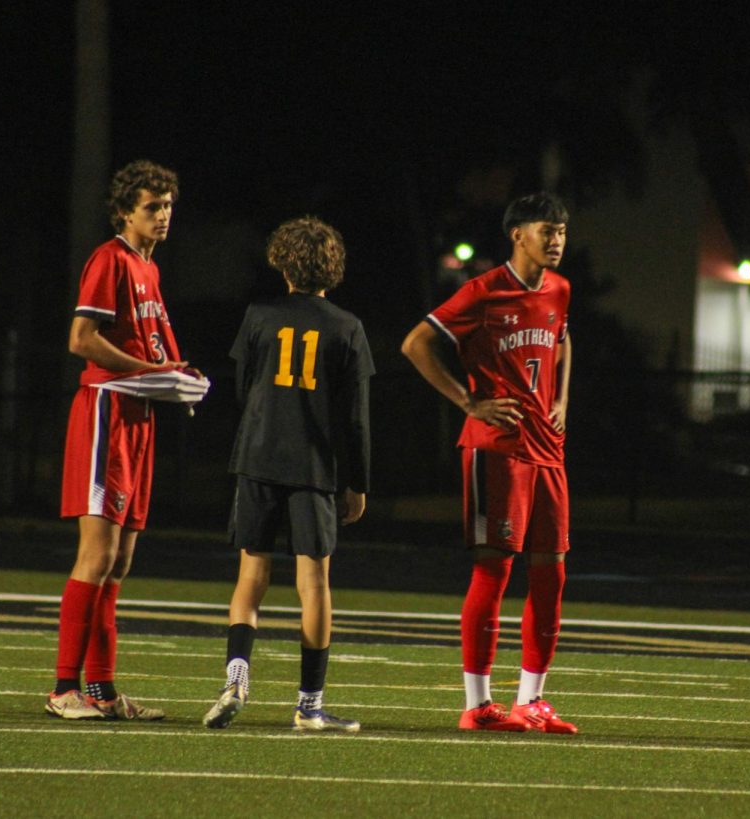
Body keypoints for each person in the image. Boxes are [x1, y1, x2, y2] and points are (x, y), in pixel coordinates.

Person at [401, 192, 577, 734]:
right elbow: (415, 344)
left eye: (562, 232)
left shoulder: (559, 289)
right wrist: (468, 402)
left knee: (551, 573)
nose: (557, 240)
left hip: (548, 449)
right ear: (517, 234)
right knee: (494, 569)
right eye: (547, 230)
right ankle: (477, 704)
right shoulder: (483, 291)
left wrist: (563, 398)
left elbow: (563, 341)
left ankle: (532, 700)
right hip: (496, 448)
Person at [46, 160, 208, 720]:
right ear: (123, 212)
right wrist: (144, 372)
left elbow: (153, 353)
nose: (163, 217)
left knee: (121, 561)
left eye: (167, 207)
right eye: (151, 208)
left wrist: (177, 376)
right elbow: (81, 339)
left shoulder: (149, 270)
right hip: (106, 412)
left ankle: (102, 690)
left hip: (138, 417)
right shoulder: (109, 259)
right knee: (96, 554)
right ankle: (64, 687)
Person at [202, 216, 373, 732]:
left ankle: (236, 678)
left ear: (282, 263)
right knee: (314, 583)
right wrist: (358, 482)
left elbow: (241, 390)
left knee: (250, 573)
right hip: (313, 465)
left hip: (256, 456)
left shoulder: (258, 316)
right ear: (333, 267)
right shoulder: (347, 327)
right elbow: (356, 419)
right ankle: (309, 705)